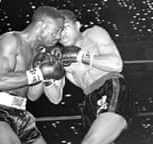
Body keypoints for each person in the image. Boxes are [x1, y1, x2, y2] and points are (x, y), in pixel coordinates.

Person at [0, 6, 66, 144]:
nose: (58, 36)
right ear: (42, 25)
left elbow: (33, 96)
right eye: (57, 30)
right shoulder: (10, 40)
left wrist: (46, 75)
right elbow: (1, 82)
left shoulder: (39, 53)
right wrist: (39, 73)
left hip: (22, 113)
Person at [57, 9, 134, 144]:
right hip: (89, 100)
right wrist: (47, 76)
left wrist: (81, 56)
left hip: (111, 88)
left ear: (77, 25)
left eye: (66, 27)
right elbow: (55, 98)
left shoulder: (93, 34)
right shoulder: (61, 58)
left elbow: (116, 64)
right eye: (58, 30)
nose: (62, 33)